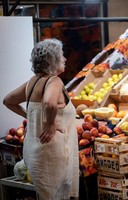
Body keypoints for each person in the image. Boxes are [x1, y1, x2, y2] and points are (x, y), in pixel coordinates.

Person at [3, 38, 79, 200]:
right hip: (52, 153)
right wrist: (51, 124)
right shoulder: (54, 81)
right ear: (52, 60)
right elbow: (49, 103)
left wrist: (30, 117)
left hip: (34, 152)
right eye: (61, 56)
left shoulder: (31, 82)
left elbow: (7, 100)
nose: (64, 59)